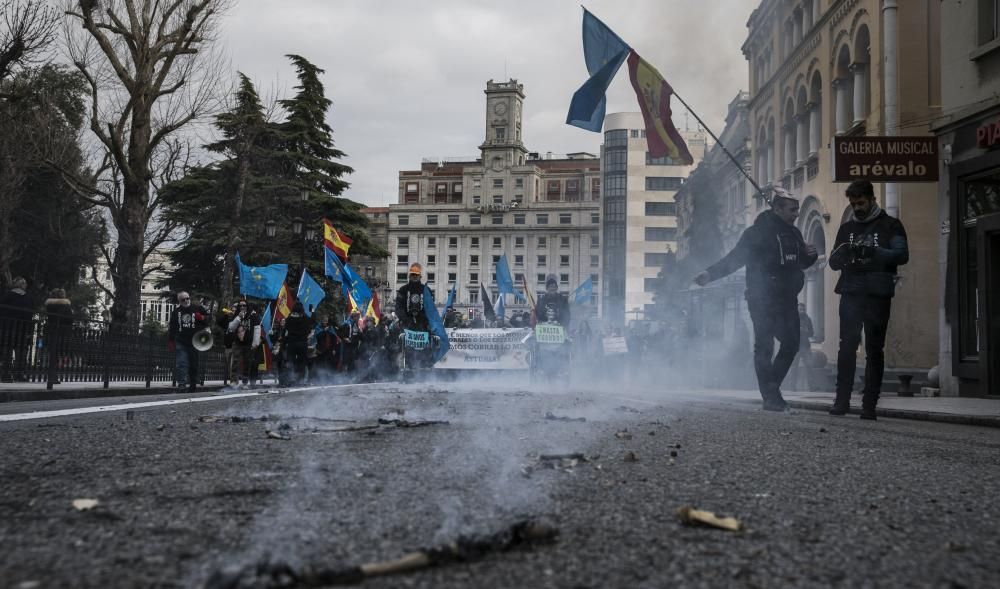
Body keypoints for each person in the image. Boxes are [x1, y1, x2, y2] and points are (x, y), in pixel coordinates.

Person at [693, 189, 818, 412]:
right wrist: (710, 274)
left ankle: (771, 391)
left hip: (788, 298)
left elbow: (802, 263)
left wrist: (811, 254)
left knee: (791, 344)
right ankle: (772, 397)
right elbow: (735, 258)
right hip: (762, 298)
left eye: (797, 209)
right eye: (792, 210)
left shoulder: (794, 233)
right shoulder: (756, 233)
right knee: (764, 346)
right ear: (777, 209)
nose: (796, 214)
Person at [828, 180, 909, 420]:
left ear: (872, 199)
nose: (857, 208)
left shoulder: (890, 225)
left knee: (874, 349)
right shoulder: (846, 228)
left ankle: (869, 405)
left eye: (861, 203)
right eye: (853, 204)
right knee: (847, 346)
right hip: (851, 291)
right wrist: (843, 254)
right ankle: (841, 401)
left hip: (877, 293)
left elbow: (902, 255)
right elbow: (833, 262)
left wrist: (873, 252)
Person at [167, 291, 209, 392]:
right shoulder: (176, 312)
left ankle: (193, 385)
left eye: (187, 298)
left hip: (195, 342)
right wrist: (171, 340)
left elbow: (208, 319)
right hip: (181, 341)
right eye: (183, 299)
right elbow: (172, 327)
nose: (186, 301)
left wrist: (201, 317)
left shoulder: (198, 308)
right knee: (181, 363)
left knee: (194, 364)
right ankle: (182, 385)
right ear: (179, 301)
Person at [0, 277, 34, 382]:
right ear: (23, 285)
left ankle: (5, 374)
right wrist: (29, 331)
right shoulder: (27, 297)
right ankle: (19, 374)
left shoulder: (7, 295)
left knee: (7, 351)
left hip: (8, 327)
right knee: (21, 352)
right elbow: (29, 314)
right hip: (22, 328)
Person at [282, 302, 314, 385]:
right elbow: (310, 327)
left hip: (292, 342)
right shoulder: (305, 318)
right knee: (302, 362)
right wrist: (312, 311)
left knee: (290, 361)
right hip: (302, 343)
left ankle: (290, 378)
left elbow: (286, 329)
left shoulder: (289, 318)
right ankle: (300, 379)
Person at [396, 263, 432, 332]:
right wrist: (405, 319)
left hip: (423, 324)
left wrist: (425, 320)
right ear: (409, 276)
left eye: (417, 275)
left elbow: (430, 308)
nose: (415, 276)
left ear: (420, 276)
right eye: (413, 274)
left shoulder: (426, 290)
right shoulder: (403, 289)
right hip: (406, 323)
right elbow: (398, 307)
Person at [790, 303, 816, 391]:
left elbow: (812, 333)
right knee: (794, 367)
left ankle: (812, 386)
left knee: (809, 366)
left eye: (803, 309)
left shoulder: (808, 319)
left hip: (805, 346)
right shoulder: (792, 319)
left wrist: (806, 331)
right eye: (800, 309)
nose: (802, 311)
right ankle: (792, 386)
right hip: (795, 347)